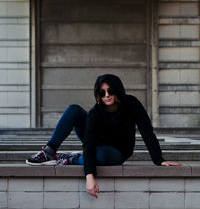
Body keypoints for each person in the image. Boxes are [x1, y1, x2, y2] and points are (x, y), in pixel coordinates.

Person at [26, 74, 181, 198]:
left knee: (102, 155)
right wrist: (89, 177)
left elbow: (147, 132)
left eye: (110, 91)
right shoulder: (95, 112)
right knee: (73, 109)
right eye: (102, 92)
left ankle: (69, 158)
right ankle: (49, 152)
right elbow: (88, 144)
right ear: (98, 94)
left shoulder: (132, 104)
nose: (107, 95)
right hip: (96, 144)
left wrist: (159, 160)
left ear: (118, 90)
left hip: (117, 152)